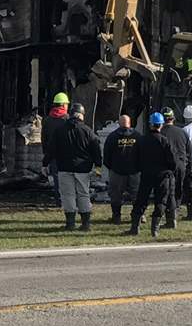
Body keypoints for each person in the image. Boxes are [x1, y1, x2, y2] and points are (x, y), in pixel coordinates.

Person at [51, 103, 102, 231]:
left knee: (67, 195)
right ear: (81, 115)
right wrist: (98, 164)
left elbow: (52, 148)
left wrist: (45, 163)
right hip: (83, 168)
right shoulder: (87, 131)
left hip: (64, 167)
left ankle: (70, 223)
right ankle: (85, 224)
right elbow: (95, 147)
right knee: (83, 194)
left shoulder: (60, 130)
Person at [130, 112, 176, 237]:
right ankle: (154, 229)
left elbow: (135, 158)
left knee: (141, 200)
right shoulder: (164, 141)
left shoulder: (141, 140)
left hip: (146, 174)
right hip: (162, 175)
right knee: (160, 201)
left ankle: (135, 227)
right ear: (161, 125)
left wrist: (140, 168)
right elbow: (172, 160)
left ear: (150, 125)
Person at [103, 114, 141, 225]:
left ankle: (116, 217)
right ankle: (139, 216)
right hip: (134, 172)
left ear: (119, 123)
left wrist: (112, 168)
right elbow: (143, 154)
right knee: (137, 195)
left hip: (117, 172)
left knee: (116, 196)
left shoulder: (112, 137)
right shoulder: (137, 136)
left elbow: (106, 156)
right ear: (130, 123)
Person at [160, 106, 192, 229]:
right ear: (173, 118)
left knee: (167, 193)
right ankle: (175, 212)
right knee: (178, 191)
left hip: (166, 167)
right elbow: (189, 152)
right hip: (181, 166)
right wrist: (189, 166)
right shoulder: (182, 132)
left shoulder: (161, 133)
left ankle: (169, 217)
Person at [41, 92, 70, 204]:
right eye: (66, 104)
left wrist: (45, 155)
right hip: (66, 153)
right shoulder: (67, 119)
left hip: (52, 154)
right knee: (68, 177)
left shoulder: (47, 120)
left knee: (57, 178)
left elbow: (44, 138)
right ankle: (68, 199)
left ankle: (59, 199)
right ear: (63, 105)